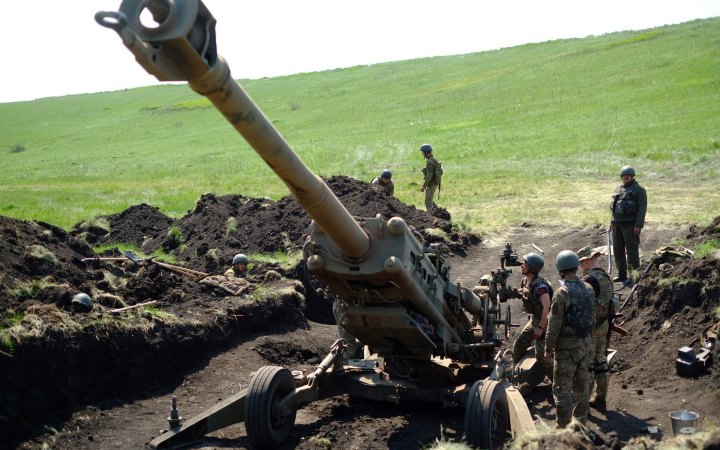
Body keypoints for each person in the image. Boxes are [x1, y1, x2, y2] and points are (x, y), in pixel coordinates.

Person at [544, 250, 596, 428]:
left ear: (561, 270)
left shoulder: (562, 292)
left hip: (566, 349)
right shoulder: (588, 288)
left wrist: (548, 349)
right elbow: (592, 317)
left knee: (562, 389)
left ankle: (563, 428)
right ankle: (580, 424)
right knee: (582, 386)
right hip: (585, 345)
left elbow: (554, 323)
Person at [577, 245, 615, 411]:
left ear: (586, 261)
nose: (580, 267)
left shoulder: (589, 280)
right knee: (601, 361)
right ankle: (601, 397)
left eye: (581, 263)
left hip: (591, 327)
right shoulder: (606, 276)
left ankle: (583, 401)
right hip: (604, 324)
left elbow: (581, 304)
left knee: (588, 365)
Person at [512, 252, 553, 381]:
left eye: (525, 263)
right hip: (534, 320)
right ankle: (520, 377)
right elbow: (527, 293)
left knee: (542, 356)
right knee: (518, 346)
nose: (522, 265)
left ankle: (557, 383)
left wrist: (541, 328)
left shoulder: (541, 287)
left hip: (544, 323)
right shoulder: (525, 281)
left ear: (533, 268)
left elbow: (547, 307)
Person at [610, 165, 647, 284]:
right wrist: (612, 222)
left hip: (630, 224)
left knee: (631, 250)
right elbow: (615, 207)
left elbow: (642, 209)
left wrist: (638, 225)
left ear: (632, 176)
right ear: (621, 177)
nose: (626, 177)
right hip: (617, 223)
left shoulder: (639, 190)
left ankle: (634, 275)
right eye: (624, 175)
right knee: (617, 250)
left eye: (628, 175)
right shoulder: (618, 189)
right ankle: (622, 274)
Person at [419, 144, 441, 210]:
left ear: (426, 152)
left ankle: (431, 216)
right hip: (434, 182)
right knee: (429, 199)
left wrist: (424, 186)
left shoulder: (430, 162)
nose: (422, 154)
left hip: (432, 184)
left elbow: (429, 176)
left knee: (428, 202)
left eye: (422, 152)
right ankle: (436, 212)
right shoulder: (433, 159)